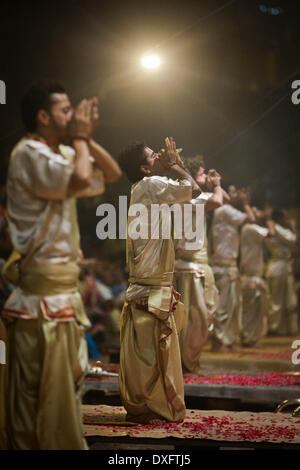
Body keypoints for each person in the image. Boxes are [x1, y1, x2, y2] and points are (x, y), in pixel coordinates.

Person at [0, 79, 121, 450]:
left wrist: (82, 136)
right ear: (42, 116)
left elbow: (111, 174)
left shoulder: (61, 153)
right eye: (64, 110)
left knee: (65, 386)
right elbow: (83, 176)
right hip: (40, 296)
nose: (72, 115)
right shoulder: (29, 153)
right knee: (38, 390)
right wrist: (80, 138)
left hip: (62, 292)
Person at [118, 137, 201, 424]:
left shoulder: (143, 187)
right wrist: (177, 166)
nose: (159, 156)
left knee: (148, 354)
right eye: (154, 156)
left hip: (148, 283)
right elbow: (194, 189)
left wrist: (168, 167)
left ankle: (145, 407)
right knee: (152, 356)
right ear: (144, 168)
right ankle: (151, 408)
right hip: (151, 286)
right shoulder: (151, 186)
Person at [174, 155, 227, 373]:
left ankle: (186, 362)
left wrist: (214, 184)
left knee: (195, 318)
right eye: (202, 173)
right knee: (195, 319)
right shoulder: (189, 196)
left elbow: (224, 198)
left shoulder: (188, 195)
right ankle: (186, 364)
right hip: (190, 268)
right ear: (193, 176)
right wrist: (217, 185)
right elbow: (219, 200)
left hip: (189, 266)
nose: (206, 176)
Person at [209, 185, 255, 351]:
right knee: (224, 307)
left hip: (226, 266)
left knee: (229, 306)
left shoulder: (225, 211)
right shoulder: (225, 210)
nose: (236, 194)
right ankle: (220, 342)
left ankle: (224, 341)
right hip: (223, 267)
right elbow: (251, 219)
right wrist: (246, 204)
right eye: (234, 191)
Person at [264, 208, 299, 336]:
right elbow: (293, 239)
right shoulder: (278, 229)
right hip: (279, 267)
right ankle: (275, 328)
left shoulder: (274, 228)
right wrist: (294, 227)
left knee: (286, 300)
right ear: (279, 218)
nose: (287, 220)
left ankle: (283, 328)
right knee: (277, 300)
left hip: (279, 266)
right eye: (285, 217)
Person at [240, 206, 269, 347]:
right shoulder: (250, 228)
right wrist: (268, 218)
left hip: (252, 277)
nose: (259, 213)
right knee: (250, 313)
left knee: (252, 312)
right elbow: (272, 233)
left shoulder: (250, 229)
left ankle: (250, 339)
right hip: (251, 277)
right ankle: (248, 339)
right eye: (256, 210)